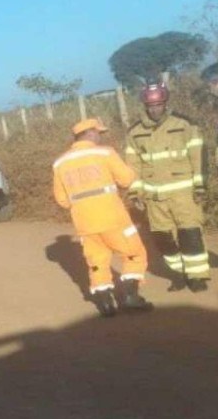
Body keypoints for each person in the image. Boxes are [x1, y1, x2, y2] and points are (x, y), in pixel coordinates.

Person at [53, 118, 152, 317]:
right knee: (134, 253)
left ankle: (105, 303)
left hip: (84, 221)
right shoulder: (105, 153)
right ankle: (131, 297)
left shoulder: (60, 163)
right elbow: (126, 179)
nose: (100, 136)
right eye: (99, 132)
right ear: (90, 133)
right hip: (112, 217)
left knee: (97, 260)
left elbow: (62, 200)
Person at [124, 83, 209, 292]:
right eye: (150, 106)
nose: (155, 109)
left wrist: (200, 186)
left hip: (184, 194)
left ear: (165, 103)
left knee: (190, 234)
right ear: (145, 106)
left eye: (159, 104)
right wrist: (135, 192)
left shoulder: (184, 125)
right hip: (154, 197)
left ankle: (196, 277)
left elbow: (198, 156)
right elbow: (132, 165)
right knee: (162, 239)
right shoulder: (135, 133)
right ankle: (178, 274)